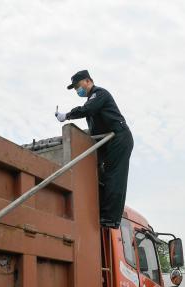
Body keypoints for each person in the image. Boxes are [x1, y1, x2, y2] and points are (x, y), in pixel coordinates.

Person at [55, 70, 133, 229]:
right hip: (107, 140)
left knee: (114, 176)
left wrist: (67, 115)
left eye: (78, 86)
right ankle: (102, 210)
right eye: (75, 88)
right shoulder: (92, 100)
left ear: (88, 81)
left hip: (119, 138)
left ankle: (110, 218)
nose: (78, 90)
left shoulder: (99, 94)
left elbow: (87, 110)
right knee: (102, 176)